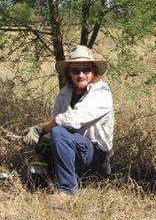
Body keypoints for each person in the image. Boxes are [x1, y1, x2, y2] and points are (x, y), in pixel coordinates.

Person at [22, 45, 114, 209]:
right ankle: (41, 181)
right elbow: (57, 122)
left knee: (55, 131)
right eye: (76, 71)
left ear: (93, 72)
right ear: (69, 73)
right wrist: (40, 136)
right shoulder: (64, 94)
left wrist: (41, 128)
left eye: (86, 70)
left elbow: (72, 119)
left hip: (94, 151)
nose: (81, 75)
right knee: (45, 142)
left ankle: (66, 191)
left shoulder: (102, 92)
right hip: (70, 144)